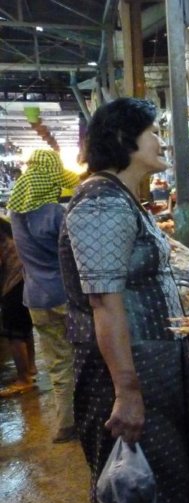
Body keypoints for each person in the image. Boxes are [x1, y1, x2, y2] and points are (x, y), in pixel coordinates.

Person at [58, 97, 189, 503]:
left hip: (149, 364)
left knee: (164, 484)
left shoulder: (118, 197)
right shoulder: (100, 202)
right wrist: (126, 392)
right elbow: (105, 302)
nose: (162, 141)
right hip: (127, 370)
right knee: (139, 493)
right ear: (125, 139)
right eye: (153, 132)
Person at [8, 148, 81, 442]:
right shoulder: (55, 213)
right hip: (64, 295)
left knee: (57, 362)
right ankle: (86, 416)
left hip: (35, 299)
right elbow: (75, 254)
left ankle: (65, 423)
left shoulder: (15, 215)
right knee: (81, 356)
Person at [0, 218, 35, 398]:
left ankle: (24, 379)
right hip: (26, 279)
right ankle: (31, 368)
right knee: (24, 329)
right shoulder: (8, 227)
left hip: (13, 284)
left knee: (14, 334)